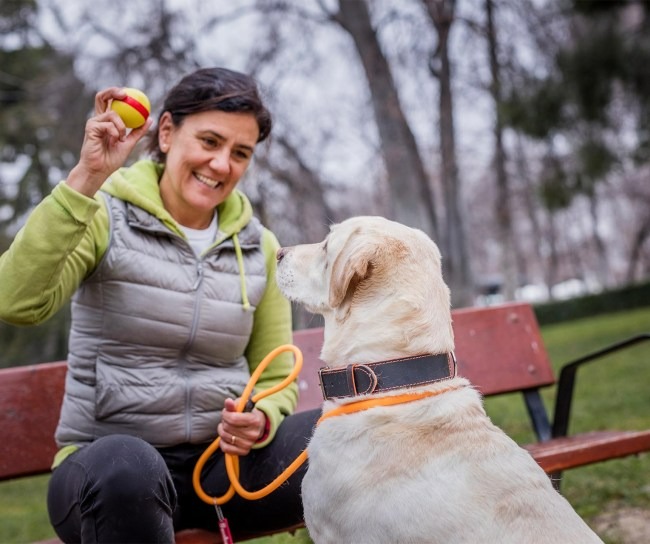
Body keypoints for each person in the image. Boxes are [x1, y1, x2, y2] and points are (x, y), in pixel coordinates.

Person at [0, 67, 320, 543]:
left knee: (352, 430)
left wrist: (262, 418)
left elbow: (275, 379)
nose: (221, 164)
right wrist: (88, 177)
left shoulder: (259, 247)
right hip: (107, 478)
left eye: (240, 153)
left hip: (220, 473)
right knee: (128, 467)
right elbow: (15, 300)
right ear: (166, 132)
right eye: (209, 141)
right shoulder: (103, 214)